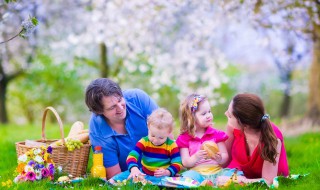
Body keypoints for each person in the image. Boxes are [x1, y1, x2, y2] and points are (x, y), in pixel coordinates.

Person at [85, 78, 158, 179]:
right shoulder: (98, 132)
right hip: (129, 174)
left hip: (161, 167)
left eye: (120, 100)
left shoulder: (138, 98)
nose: (120, 108)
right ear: (99, 111)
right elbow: (115, 176)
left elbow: (166, 134)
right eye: (112, 107)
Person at [218, 93, 289, 185]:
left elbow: (268, 181)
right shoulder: (232, 127)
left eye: (230, 115)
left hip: (262, 177)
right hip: (240, 172)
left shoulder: (272, 138)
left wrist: (236, 179)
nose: (225, 114)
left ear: (245, 125)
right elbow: (224, 162)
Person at [109, 108, 183, 185]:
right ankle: (112, 182)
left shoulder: (171, 145)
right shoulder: (144, 142)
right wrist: (134, 168)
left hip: (161, 176)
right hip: (143, 173)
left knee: (169, 182)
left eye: (161, 138)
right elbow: (132, 156)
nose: (155, 140)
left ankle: (150, 183)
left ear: (169, 132)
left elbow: (177, 163)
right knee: (126, 175)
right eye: (152, 135)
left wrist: (167, 172)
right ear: (148, 127)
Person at [176, 94, 236, 185]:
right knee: (188, 176)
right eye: (204, 114)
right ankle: (204, 182)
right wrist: (196, 157)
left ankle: (215, 182)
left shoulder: (216, 135)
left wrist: (220, 159)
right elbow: (185, 162)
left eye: (209, 111)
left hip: (217, 171)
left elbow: (225, 155)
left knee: (233, 173)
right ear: (191, 118)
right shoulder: (184, 138)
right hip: (196, 173)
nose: (209, 115)